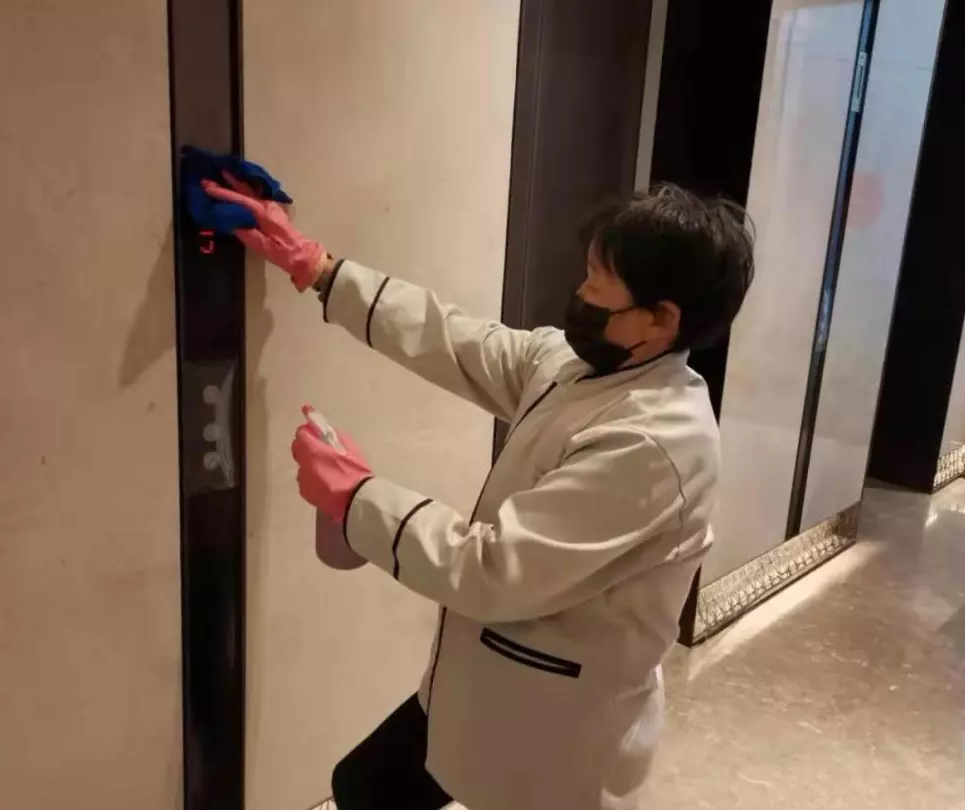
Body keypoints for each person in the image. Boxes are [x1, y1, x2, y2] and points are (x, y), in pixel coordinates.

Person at [204, 178, 755, 810]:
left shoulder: (656, 445)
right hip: (485, 679)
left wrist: (356, 498)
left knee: (376, 789)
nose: (580, 293)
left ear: (662, 318)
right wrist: (320, 269)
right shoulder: (582, 369)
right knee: (363, 786)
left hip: (553, 717)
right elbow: (455, 340)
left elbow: (495, 569)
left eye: (599, 282)